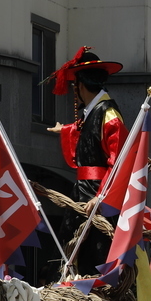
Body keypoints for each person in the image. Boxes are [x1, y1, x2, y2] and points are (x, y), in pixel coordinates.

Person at [46, 48, 124, 272]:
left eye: (74, 86)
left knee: (97, 247)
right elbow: (86, 133)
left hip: (99, 191)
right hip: (85, 189)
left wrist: (101, 197)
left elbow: (117, 162)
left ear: (79, 85)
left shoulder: (109, 114)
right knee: (71, 242)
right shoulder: (94, 110)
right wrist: (65, 130)